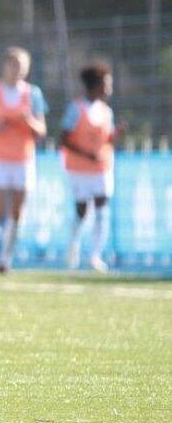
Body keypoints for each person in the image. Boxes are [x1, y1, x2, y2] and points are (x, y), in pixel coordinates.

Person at [0, 47, 48, 274]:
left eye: (22, 66)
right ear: (4, 66)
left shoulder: (33, 94)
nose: (17, 70)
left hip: (22, 158)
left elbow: (41, 129)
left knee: (17, 213)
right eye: (13, 65)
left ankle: (6, 259)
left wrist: (28, 120)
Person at [61, 62, 119, 273]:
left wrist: (116, 135)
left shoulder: (106, 111)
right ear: (96, 85)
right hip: (79, 168)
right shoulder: (76, 108)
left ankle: (95, 256)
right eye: (107, 84)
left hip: (102, 168)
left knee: (102, 209)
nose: (110, 88)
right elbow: (64, 139)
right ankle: (73, 246)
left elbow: (107, 139)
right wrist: (86, 154)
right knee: (82, 211)